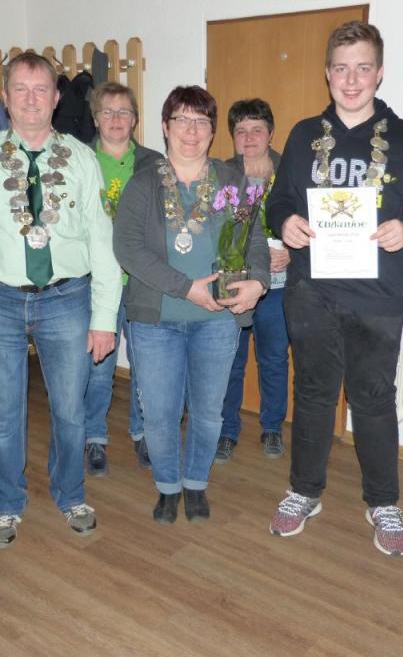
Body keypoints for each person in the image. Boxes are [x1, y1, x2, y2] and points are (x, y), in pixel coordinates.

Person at [265, 21, 403, 556]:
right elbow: (278, 201)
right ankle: (304, 490)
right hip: (311, 292)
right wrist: (286, 221)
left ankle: (383, 501)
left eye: (363, 68)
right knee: (313, 394)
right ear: (327, 73)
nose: (352, 79)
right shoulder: (302, 135)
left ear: (379, 73)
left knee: (374, 399)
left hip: (377, 295)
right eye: (341, 68)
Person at [0, 53, 121, 548]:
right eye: (20, 88)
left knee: (70, 409)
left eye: (41, 89)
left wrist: (105, 316)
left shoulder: (81, 159)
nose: (31, 99)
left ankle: (71, 493)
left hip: (67, 298)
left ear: (57, 97)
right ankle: (6, 502)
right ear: (4, 95)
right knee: (2, 412)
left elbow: (101, 240)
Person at [114, 86, 269, 524]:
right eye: (181, 120)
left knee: (207, 411)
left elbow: (255, 239)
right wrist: (185, 288)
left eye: (201, 121)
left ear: (212, 131)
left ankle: (196, 482)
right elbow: (127, 248)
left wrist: (258, 281)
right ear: (165, 127)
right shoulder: (143, 183)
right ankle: (167, 485)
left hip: (216, 320)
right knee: (160, 413)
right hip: (156, 321)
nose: (191, 130)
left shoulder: (233, 181)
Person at [83, 82, 162, 476]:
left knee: (146, 364)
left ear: (135, 120)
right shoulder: (79, 160)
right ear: (96, 118)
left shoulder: (154, 162)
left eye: (124, 112)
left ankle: (143, 432)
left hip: (142, 280)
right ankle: (94, 436)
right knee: (100, 365)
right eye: (108, 111)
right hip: (97, 283)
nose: (116, 119)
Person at [217, 98, 290, 463]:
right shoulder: (221, 173)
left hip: (278, 286)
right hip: (234, 284)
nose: (248, 138)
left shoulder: (290, 170)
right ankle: (226, 430)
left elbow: (315, 223)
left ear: (270, 134)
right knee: (230, 361)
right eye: (241, 131)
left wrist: (293, 251)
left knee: (273, 358)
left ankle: (272, 427)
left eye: (257, 130)